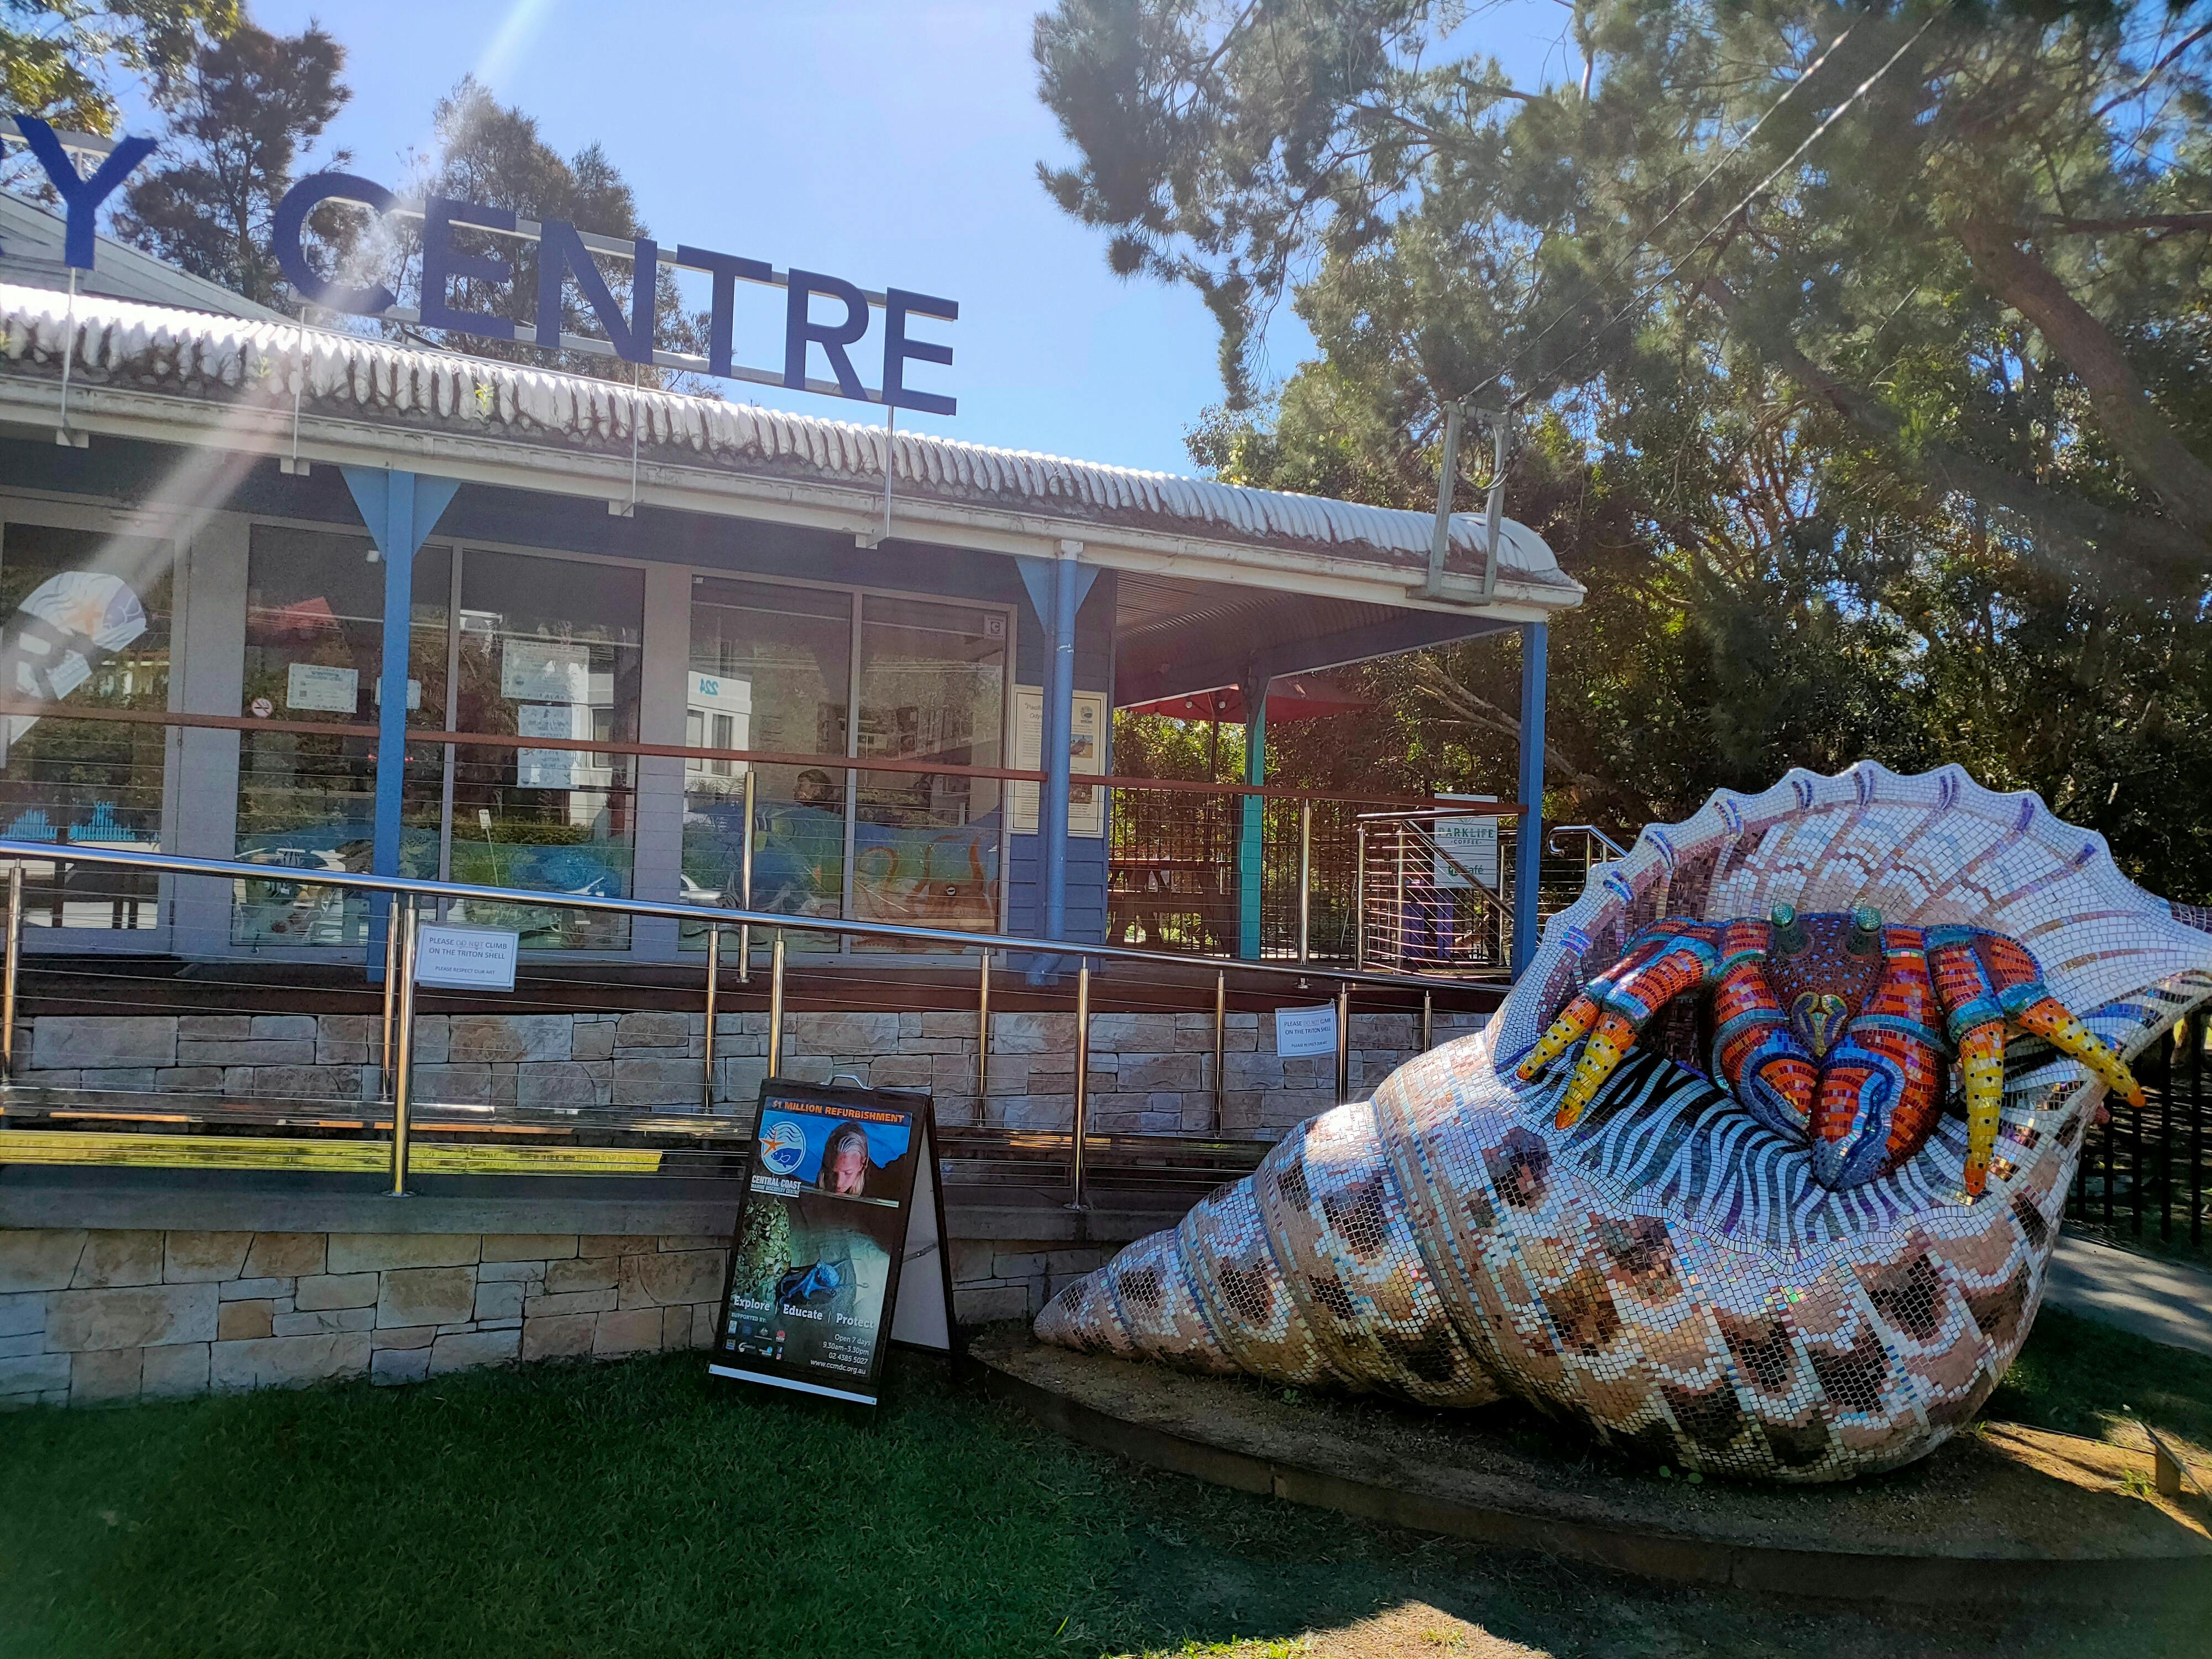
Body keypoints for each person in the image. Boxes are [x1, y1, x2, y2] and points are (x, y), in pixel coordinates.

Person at [816, 1121, 872, 1196]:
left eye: (848, 1173)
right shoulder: (817, 1188)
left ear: (862, 1164)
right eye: (833, 1173)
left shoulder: (878, 1192)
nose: (839, 1183)